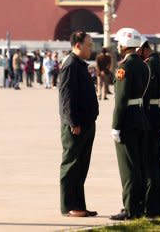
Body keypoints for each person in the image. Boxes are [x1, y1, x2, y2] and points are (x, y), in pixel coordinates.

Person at [109, 28, 151, 222]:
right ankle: (139, 205)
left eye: (119, 43)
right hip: (140, 117)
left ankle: (130, 208)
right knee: (139, 165)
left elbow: (121, 99)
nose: (118, 46)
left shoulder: (125, 66)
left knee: (128, 168)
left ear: (124, 45)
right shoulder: (143, 65)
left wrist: (115, 125)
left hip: (127, 121)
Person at [58, 31, 99, 218]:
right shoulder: (70, 65)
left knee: (81, 166)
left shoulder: (80, 65)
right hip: (75, 125)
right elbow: (66, 97)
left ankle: (80, 205)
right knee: (71, 165)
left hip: (86, 124)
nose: (91, 48)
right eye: (89, 45)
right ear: (78, 45)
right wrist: (73, 121)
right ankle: (68, 206)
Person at [143, 39, 160, 218]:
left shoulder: (148, 66)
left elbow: (144, 93)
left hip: (150, 116)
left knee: (150, 164)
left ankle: (151, 208)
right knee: (159, 163)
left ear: (144, 49)